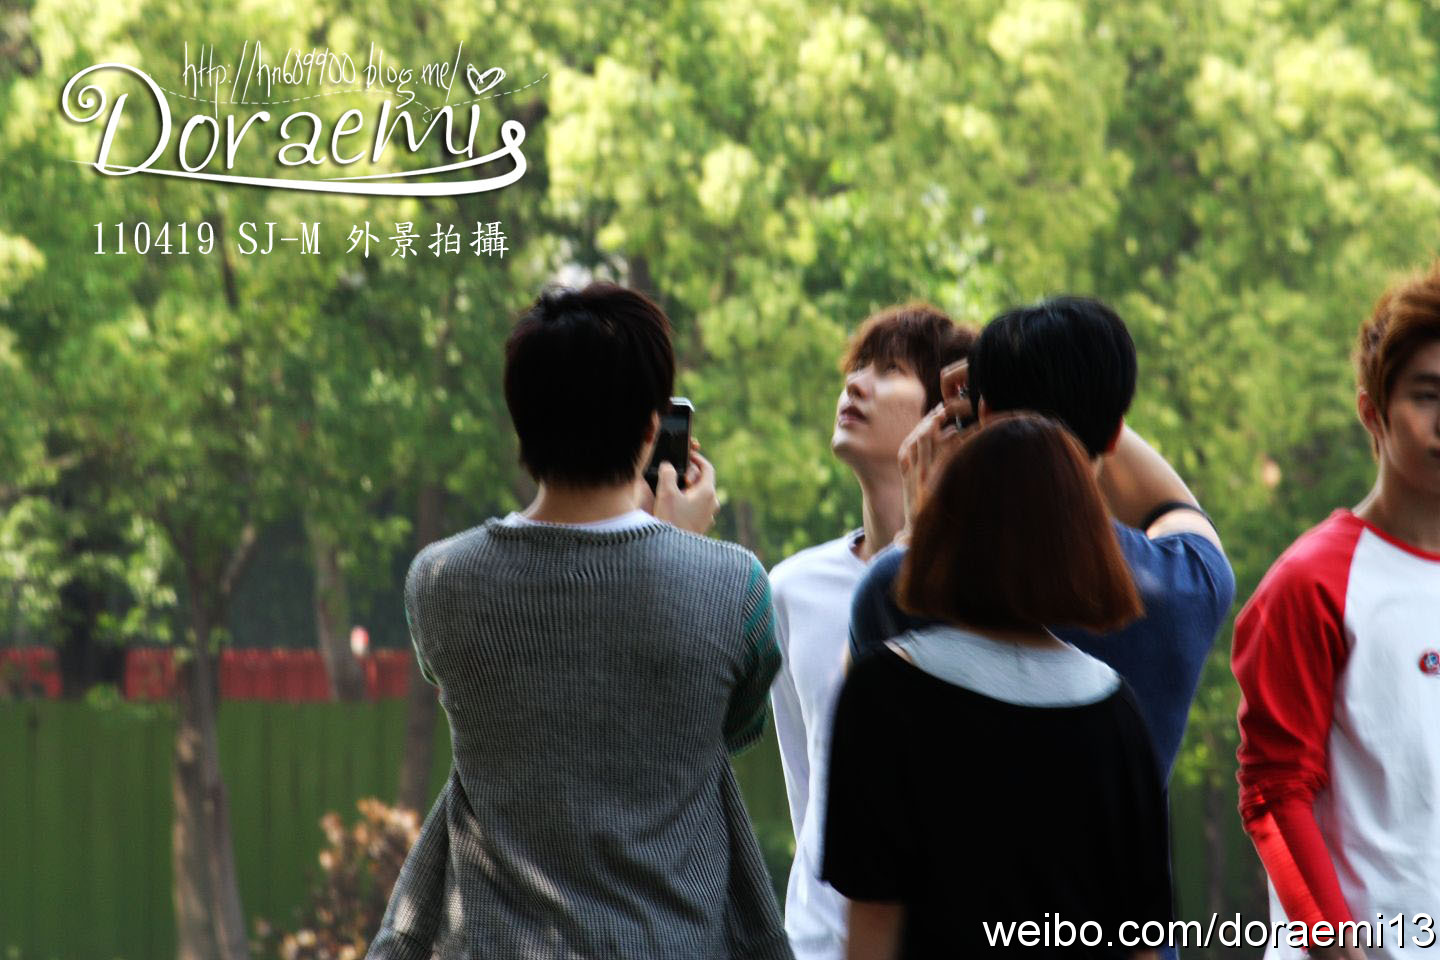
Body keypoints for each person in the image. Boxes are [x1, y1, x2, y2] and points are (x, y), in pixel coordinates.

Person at [366, 283, 793, 960]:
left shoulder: (440, 581)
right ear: (652, 429)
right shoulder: (732, 584)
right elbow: (732, 729)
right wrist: (679, 550)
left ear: (521, 422)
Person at [824, 413, 1170, 959]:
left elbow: (871, 924)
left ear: (948, 528)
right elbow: (1142, 940)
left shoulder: (883, 692)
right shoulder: (1116, 711)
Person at [849, 296, 1234, 786]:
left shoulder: (899, 588)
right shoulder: (1187, 584)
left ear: (984, 416)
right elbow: (1174, 507)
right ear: (1115, 434)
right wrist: (1087, 394)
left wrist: (917, 537)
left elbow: (856, 756)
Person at [1232, 263, 1440, 960]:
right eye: (1428, 396)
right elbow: (1273, 791)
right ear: (1372, 412)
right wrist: (1335, 947)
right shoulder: (1312, 581)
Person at [768, 304, 975, 960]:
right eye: (856, 368)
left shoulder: (989, 590)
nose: (855, 385)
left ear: (946, 413)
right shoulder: (791, 588)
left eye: (888, 370)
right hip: (813, 942)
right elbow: (809, 789)